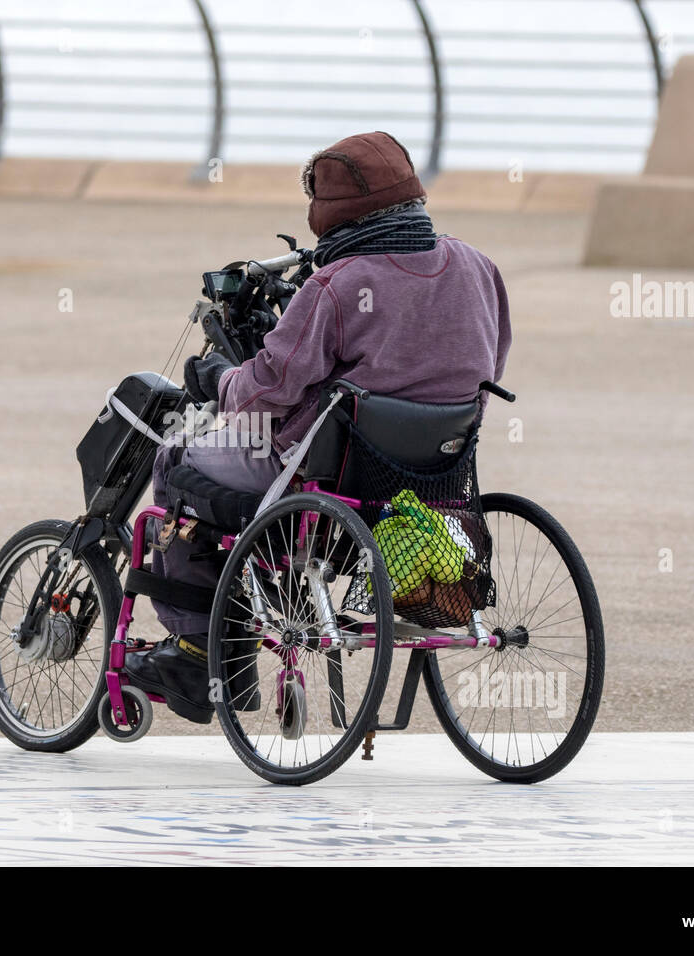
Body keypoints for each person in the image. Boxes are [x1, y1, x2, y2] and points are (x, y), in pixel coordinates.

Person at [125, 130, 512, 722]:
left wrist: (221, 380)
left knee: (178, 459)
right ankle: (261, 596)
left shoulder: (339, 285)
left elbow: (269, 391)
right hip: (437, 469)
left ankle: (196, 648)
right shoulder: (478, 268)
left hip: (324, 470)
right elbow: (491, 362)